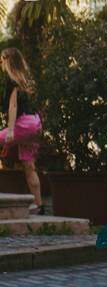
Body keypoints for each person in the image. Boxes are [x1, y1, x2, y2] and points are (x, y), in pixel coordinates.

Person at [0, 47, 43, 213]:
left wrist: (10, 131)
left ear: (8, 61)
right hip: (35, 124)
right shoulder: (27, 80)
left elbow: (13, 105)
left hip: (22, 123)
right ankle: (39, 206)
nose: (1, 64)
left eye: (2, 61)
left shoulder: (11, 80)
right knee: (29, 166)